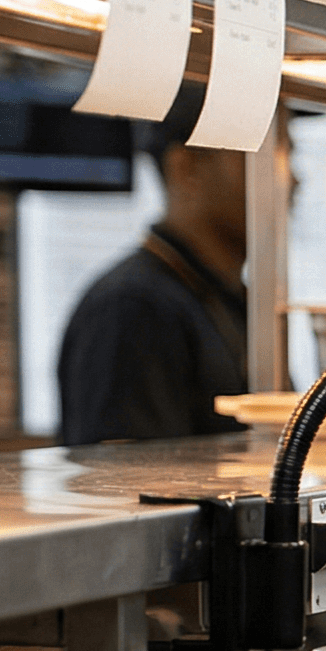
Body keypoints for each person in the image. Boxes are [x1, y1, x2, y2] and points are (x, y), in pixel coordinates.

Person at [57, 93, 275, 444]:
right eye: (261, 155)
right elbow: (124, 486)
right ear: (185, 169)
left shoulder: (231, 298)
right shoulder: (132, 310)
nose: (288, 179)